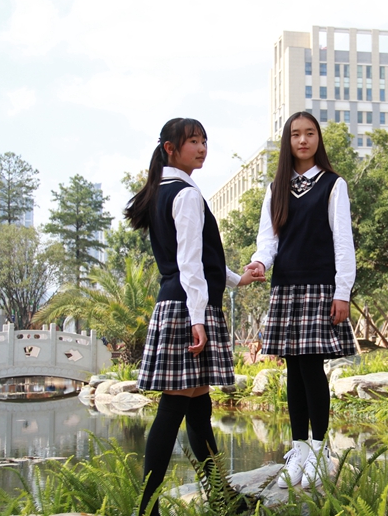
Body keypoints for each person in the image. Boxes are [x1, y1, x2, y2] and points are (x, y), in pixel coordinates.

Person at [125, 117, 262, 516]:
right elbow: (188, 263)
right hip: (188, 308)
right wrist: (198, 319)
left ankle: (221, 498)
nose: (201, 148)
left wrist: (236, 279)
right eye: (193, 142)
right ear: (170, 148)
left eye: (204, 141)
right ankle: (147, 507)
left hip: (181, 303)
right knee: (174, 408)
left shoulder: (164, 190)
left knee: (198, 408)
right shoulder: (184, 194)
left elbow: (198, 258)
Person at [245, 111, 356, 489]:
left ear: (318, 139)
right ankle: (299, 451)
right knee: (293, 369)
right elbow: (268, 241)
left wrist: (342, 292)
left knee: (311, 368)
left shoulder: (333, 185)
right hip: (286, 287)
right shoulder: (276, 188)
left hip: (321, 286)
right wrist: (260, 262)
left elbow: (343, 242)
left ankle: (321, 452)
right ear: (288, 141)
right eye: (296, 134)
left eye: (310, 133)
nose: (303, 140)